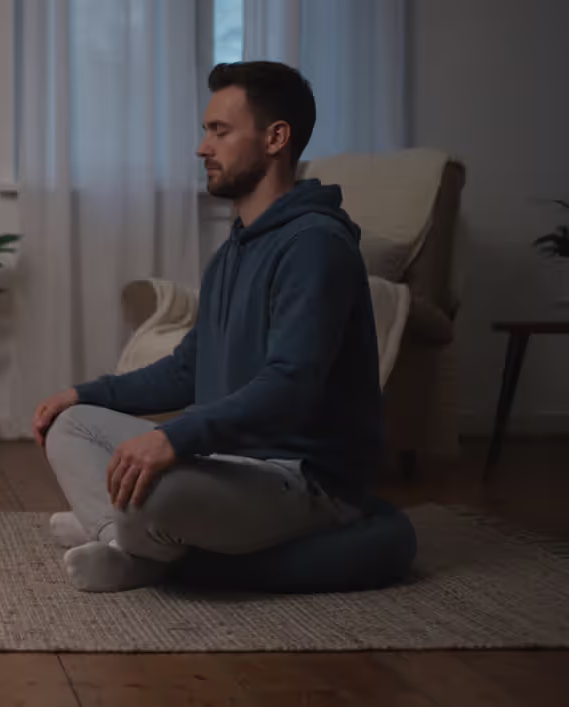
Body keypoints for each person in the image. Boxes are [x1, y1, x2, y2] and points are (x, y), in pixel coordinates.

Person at [34, 61, 383, 592]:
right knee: (73, 425)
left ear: (276, 138)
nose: (202, 147)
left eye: (219, 131)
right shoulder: (235, 249)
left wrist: (176, 437)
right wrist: (84, 393)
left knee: (153, 491)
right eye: (205, 131)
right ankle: (120, 538)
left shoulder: (315, 245)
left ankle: (121, 534)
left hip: (302, 479)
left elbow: (290, 386)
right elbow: (189, 368)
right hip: (231, 462)